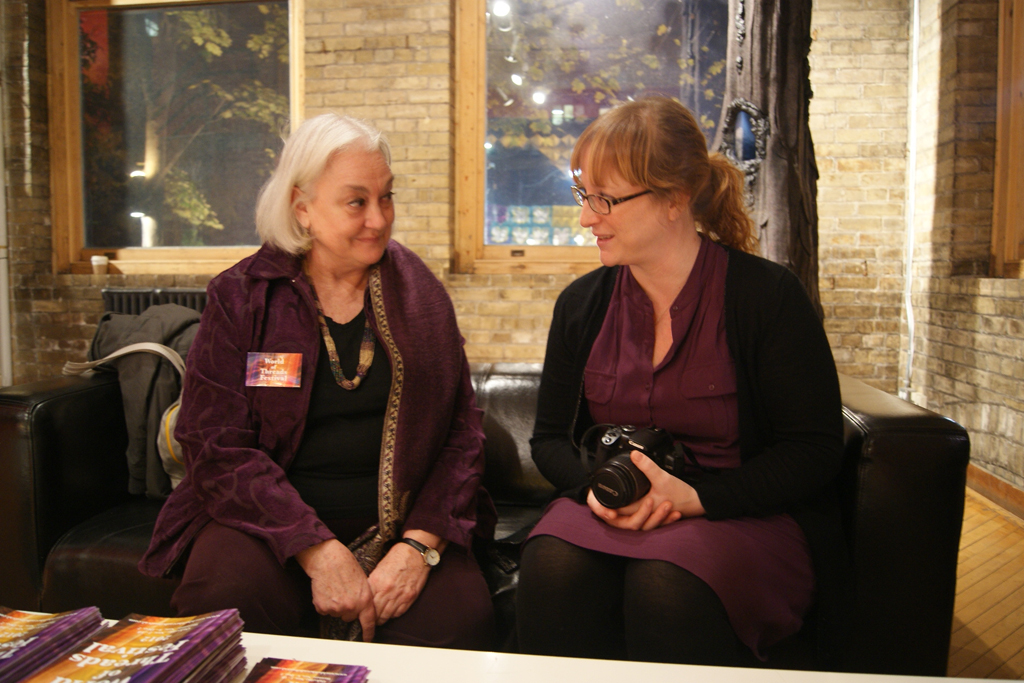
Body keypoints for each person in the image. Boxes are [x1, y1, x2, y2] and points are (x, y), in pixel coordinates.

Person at [139, 113, 496, 649]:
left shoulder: (421, 294)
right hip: (263, 525)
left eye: (387, 197)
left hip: (402, 527)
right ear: (302, 208)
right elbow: (215, 445)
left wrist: (418, 549)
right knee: (225, 597)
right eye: (356, 201)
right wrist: (317, 549)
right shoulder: (241, 297)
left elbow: (462, 433)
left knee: (459, 620)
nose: (378, 218)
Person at [516, 95, 848, 667]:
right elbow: (549, 439)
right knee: (550, 568)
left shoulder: (766, 298)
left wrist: (695, 497)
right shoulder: (581, 305)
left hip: (739, 514)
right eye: (583, 195)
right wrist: (597, 490)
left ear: (673, 199)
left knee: (666, 583)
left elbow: (813, 451)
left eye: (605, 199)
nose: (586, 217)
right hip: (611, 504)